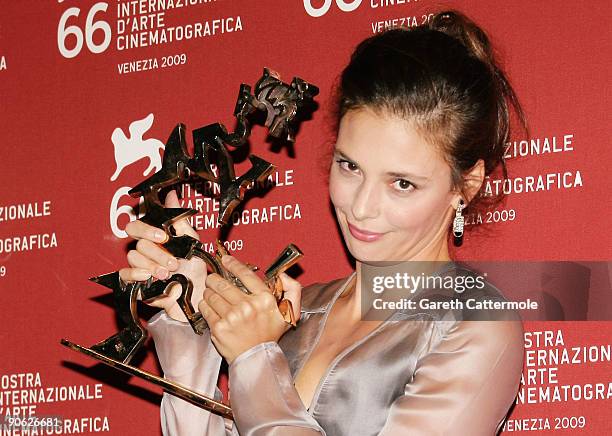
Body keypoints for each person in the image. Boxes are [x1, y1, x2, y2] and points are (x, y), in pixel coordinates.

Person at [120, 10, 526, 436]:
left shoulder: (474, 323)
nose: (363, 206)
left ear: (467, 184)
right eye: (350, 167)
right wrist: (190, 327)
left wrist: (255, 356)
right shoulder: (301, 309)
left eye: (402, 184)